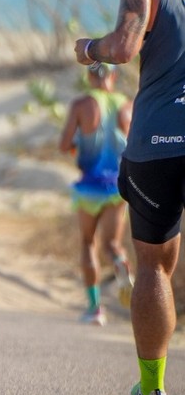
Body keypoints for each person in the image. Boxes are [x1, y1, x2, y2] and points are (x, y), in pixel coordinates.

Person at [74, 0, 185, 395]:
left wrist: (87, 49)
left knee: (154, 266)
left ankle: (153, 392)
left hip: (159, 144)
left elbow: (122, 48)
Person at [58, 62, 134, 325]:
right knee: (112, 243)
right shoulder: (127, 105)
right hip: (117, 186)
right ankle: (120, 262)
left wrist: (78, 148)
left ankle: (94, 308)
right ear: (114, 75)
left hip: (89, 186)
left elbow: (64, 144)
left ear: (90, 75)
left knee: (88, 242)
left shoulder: (81, 105)